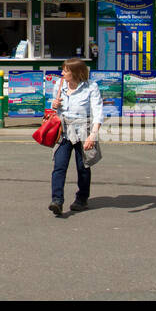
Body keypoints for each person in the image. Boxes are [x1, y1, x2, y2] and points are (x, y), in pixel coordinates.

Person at [49, 58, 102, 216]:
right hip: (64, 130)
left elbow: (97, 111)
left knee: (83, 167)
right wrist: (53, 104)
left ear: (76, 72)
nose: (62, 73)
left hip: (83, 130)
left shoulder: (91, 87)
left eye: (66, 71)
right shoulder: (59, 85)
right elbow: (53, 107)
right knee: (59, 166)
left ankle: (82, 198)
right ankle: (57, 200)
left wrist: (92, 135)